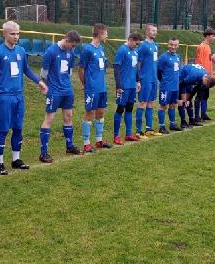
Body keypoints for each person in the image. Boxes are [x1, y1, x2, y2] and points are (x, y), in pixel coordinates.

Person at [0, 21, 47, 175]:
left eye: (18, 34)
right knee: (3, 130)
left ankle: (16, 159)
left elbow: (26, 69)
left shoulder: (21, 51)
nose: (16, 36)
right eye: (12, 33)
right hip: (3, 97)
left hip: (18, 96)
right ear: (4, 34)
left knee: (18, 128)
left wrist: (39, 82)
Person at [39, 30, 82, 163]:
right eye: (72, 45)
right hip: (54, 90)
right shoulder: (51, 51)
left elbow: (69, 72)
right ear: (67, 40)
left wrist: (67, 84)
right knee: (50, 118)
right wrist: (45, 86)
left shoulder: (71, 53)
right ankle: (43, 152)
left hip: (67, 90)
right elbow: (43, 73)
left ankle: (69, 146)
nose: (73, 48)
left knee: (68, 116)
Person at [78, 23, 111, 152]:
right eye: (106, 33)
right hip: (92, 88)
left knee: (101, 112)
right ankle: (86, 143)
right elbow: (80, 69)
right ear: (99, 34)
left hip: (102, 87)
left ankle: (99, 140)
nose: (107, 36)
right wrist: (85, 84)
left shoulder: (101, 48)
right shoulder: (87, 49)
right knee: (90, 113)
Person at [112, 32, 142, 145]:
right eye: (136, 43)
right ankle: (116, 136)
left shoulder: (135, 51)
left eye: (138, 44)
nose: (137, 46)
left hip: (132, 86)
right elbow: (116, 68)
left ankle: (128, 134)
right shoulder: (122, 50)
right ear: (130, 39)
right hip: (123, 86)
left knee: (129, 109)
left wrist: (138, 81)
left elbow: (136, 68)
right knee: (120, 109)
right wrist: (118, 85)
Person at [135, 24, 162, 138]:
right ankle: (138, 131)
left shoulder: (155, 45)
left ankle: (148, 129)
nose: (155, 32)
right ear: (147, 32)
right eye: (152, 30)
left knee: (151, 103)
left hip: (153, 79)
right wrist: (138, 79)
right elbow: (138, 63)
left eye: (156, 30)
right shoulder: (143, 46)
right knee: (143, 103)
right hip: (145, 79)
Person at [157, 38, 183, 132]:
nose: (173, 47)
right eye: (171, 44)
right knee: (163, 106)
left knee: (173, 105)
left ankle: (172, 124)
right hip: (166, 86)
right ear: (168, 45)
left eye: (175, 45)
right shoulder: (163, 57)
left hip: (175, 86)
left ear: (178, 46)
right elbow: (158, 71)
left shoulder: (178, 57)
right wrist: (163, 81)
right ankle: (161, 127)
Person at [179, 64, 214, 129]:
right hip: (182, 78)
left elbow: (195, 89)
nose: (204, 85)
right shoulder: (194, 76)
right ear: (206, 79)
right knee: (182, 100)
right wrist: (182, 96)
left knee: (188, 100)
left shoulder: (204, 76)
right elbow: (181, 83)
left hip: (188, 79)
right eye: (206, 84)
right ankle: (183, 122)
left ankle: (191, 120)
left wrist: (189, 99)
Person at [193, 28, 215, 122]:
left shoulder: (208, 46)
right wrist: (203, 75)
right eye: (213, 36)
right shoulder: (202, 47)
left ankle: (204, 114)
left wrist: (211, 73)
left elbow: (208, 62)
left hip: (208, 76)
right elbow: (199, 62)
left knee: (205, 95)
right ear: (207, 36)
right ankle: (197, 116)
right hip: (203, 77)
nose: (214, 38)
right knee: (199, 95)